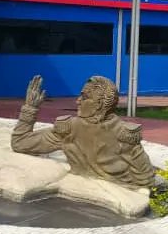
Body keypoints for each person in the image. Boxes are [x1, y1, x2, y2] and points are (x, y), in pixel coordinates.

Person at [11, 75, 156, 189]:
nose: (78, 101)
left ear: (100, 104)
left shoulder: (123, 134)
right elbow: (21, 143)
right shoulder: (70, 128)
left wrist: (30, 108)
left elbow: (145, 179)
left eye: (85, 97)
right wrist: (30, 108)